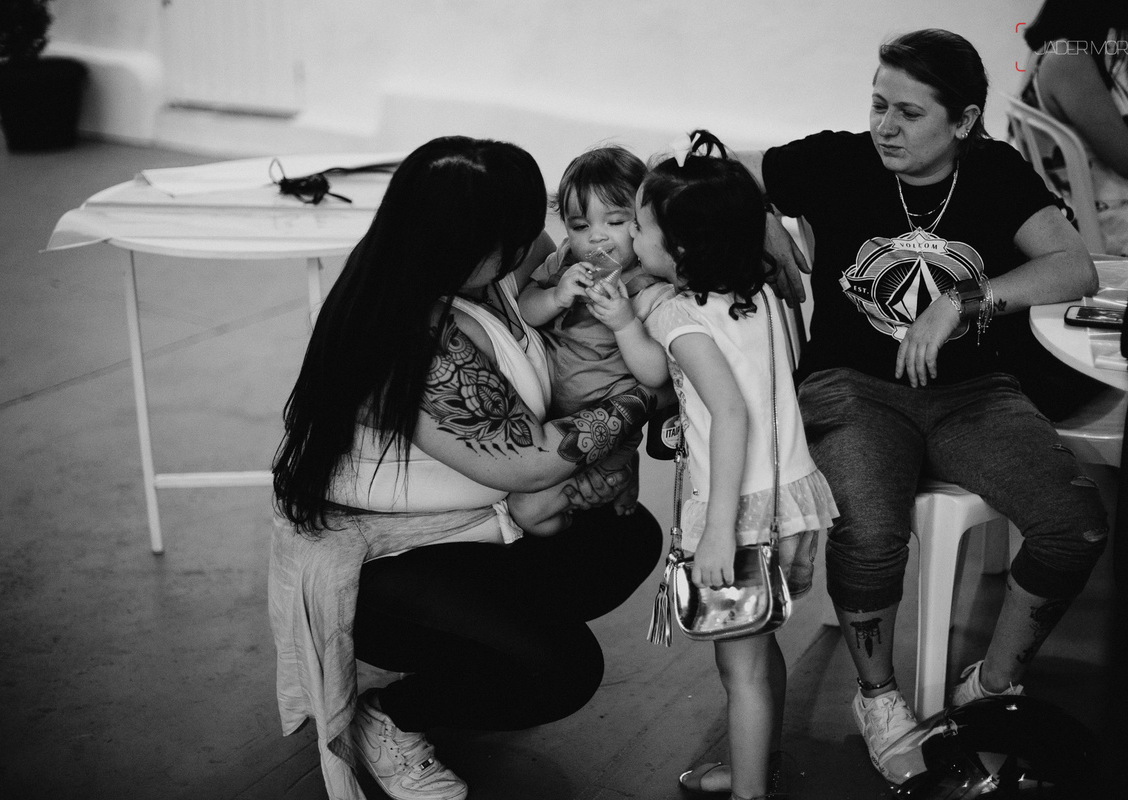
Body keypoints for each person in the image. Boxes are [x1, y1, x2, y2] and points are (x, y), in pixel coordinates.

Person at [733, 29, 1110, 784]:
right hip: (852, 386)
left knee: (1075, 527)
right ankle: (878, 700)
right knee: (871, 535)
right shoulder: (839, 158)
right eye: (877, 105)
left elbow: (1075, 267)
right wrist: (761, 216)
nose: (885, 127)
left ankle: (991, 686)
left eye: (909, 113)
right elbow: (706, 165)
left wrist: (963, 303)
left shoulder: (995, 172)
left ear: (964, 122)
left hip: (973, 392)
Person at [268, 136, 663, 800]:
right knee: (564, 670)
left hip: (470, 523)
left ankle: (481, 660)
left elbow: (609, 210)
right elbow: (533, 461)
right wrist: (649, 393)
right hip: (383, 563)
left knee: (624, 539)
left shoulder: (478, 269)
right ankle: (390, 713)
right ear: (472, 241)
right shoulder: (408, 334)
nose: (542, 240)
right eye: (519, 233)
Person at [589, 131, 838, 800]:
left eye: (640, 227)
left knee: (742, 668)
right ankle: (757, 761)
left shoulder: (680, 317)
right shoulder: (756, 291)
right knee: (761, 649)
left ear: (682, 248)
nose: (634, 241)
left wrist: (720, 530)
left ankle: (750, 791)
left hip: (740, 511)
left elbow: (719, 409)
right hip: (788, 494)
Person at [515, 144, 675, 531]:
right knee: (533, 515)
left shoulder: (652, 290)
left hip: (608, 433)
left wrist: (624, 324)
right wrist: (554, 296)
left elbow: (656, 376)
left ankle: (619, 475)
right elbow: (525, 311)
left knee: (533, 517)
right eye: (580, 226)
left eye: (615, 222)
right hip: (551, 417)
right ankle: (610, 487)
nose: (596, 239)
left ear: (644, 222)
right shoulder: (566, 261)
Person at [1018, 0, 1128, 256]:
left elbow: (1116, 130)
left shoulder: (1055, 50)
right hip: (1109, 228)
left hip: (1093, 211)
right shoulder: (1068, 60)